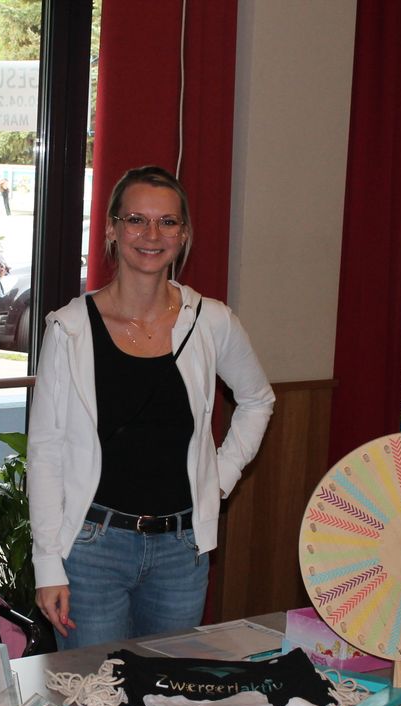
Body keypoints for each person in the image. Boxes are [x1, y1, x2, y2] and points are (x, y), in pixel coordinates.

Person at [27, 165, 275, 650]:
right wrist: (47, 564)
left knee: (170, 701)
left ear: (183, 236)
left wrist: (218, 479)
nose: (151, 234)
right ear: (111, 229)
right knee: (97, 702)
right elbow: (45, 452)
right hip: (93, 547)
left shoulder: (211, 321)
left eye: (167, 222)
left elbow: (257, 400)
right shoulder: (69, 328)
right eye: (136, 219)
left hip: (182, 553)